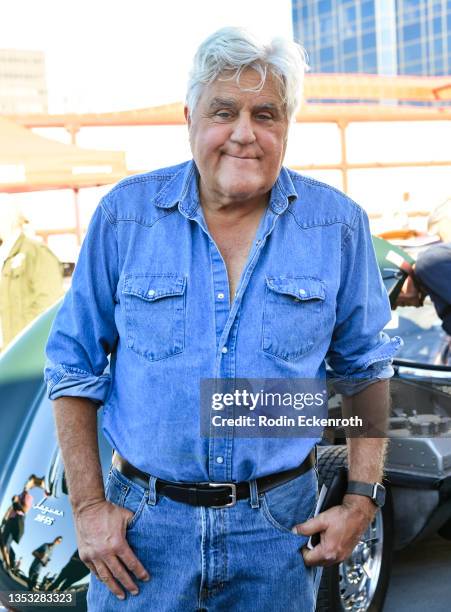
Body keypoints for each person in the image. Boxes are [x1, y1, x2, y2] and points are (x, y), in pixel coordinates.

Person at [44, 28, 400, 611]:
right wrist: (87, 508)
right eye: (223, 111)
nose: (244, 133)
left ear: (286, 127)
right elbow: (71, 364)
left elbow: (365, 366)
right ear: (189, 118)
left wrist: (361, 497)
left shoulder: (337, 227)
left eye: (266, 114)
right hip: (141, 534)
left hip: (278, 535)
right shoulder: (124, 218)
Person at [0, 204, 64, 349]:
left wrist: (28, 344)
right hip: (9, 352)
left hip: (28, 352)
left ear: (9, 220)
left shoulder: (36, 253)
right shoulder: (6, 255)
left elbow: (49, 308)